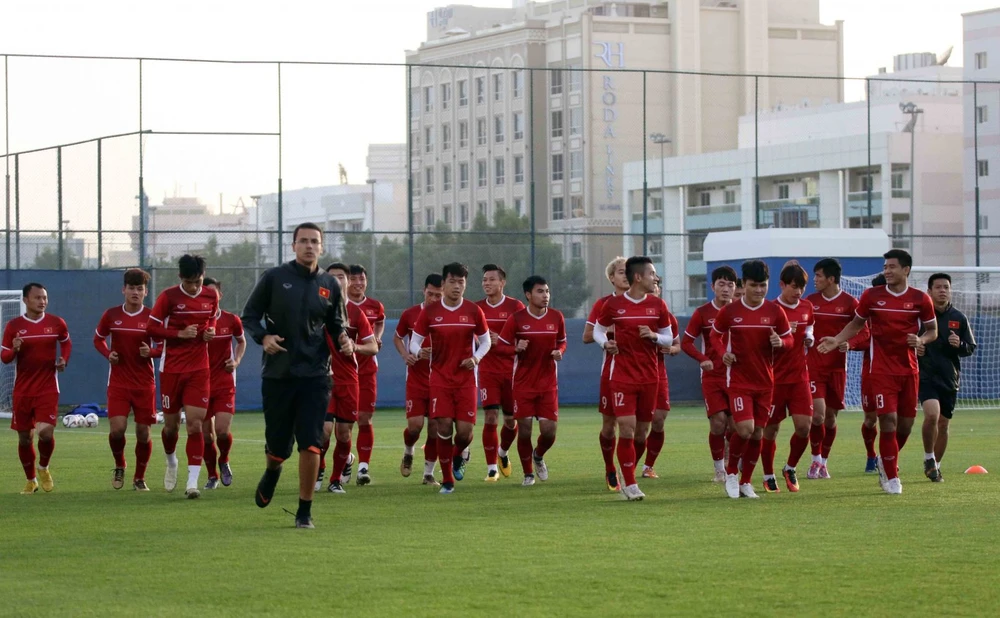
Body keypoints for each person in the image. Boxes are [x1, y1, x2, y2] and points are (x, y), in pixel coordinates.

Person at [242, 222, 346, 528]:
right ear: (293, 246)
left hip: (316, 375)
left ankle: (304, 511)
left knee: (312, 442)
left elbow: (336, 324)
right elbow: (249, 316)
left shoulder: (330, 284)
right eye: (303, 241)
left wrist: (343, 338)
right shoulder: (274, 278)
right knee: (278, 448)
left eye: (315, 241)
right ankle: (273, 469)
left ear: (322, 247)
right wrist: (263, 337)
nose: (309, 246)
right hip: (279, 374)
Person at [818, 249, 937, 495]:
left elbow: (932, 330)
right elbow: (856, 324)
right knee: (888, 421)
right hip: (880, 371)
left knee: (905, 426)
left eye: (892, 267)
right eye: (885, 267)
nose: (887, 271)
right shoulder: (871, 296)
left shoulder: (920, 299)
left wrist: (921, 340)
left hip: (909, 370)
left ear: (906, 270)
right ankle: (892, 478)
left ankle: (885, 459)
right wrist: (837, 339)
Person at [593, 256, 675, 502]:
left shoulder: (658, 305)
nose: (655, 278)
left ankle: (626, 469)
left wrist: (654, 336)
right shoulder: (613, 305)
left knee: (641, 433)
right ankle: (630, 483)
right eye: (652, 274)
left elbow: (669, 338)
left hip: (650, 377)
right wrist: (605, 343)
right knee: (626, 428)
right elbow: (597, 329)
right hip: (622, 376)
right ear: (638, 277)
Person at [711, 260, 793, 499]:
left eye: (763, 285)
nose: (759, 290)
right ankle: (731, 474)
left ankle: (746, 481)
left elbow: (789, 340)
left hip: (765, 382)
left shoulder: (775, 311)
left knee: (758, 433)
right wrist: (722, 353)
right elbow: (715, 336)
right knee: (745, 429)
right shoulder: (730, 311)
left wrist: (781, 342)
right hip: (739, 381)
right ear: (744, 284)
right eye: (754, 285)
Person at [408, 262, 491, 494]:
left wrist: (475, 358)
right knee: (443, 426)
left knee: (464, 433)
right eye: (452, 281)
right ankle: (447, 480)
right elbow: (414, 341)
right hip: (440, 379)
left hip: (466, 381)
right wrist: (419, 352)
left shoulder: (474, 311)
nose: (457, 286)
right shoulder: (430, 312)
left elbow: (486, 341)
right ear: (443, 284)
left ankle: (458, 453)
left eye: (461, 282)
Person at [147, 254, 219, 498]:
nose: (195, 287)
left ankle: (192, 482)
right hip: (171, 370)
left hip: (199, 369)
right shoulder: (168, 297)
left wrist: (210, 331)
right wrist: (179, 334)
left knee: (195, 424)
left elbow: (212, 320)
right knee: (171, 427)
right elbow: (151, 328)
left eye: (198, 281)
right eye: (189, 283)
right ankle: (171, 461)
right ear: (180, 277)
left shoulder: (211, 296)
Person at [494, 276, 566, 486]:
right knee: (524, 431)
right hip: (523, 384)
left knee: (549, 432)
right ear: (528, 294)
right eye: (540, 291)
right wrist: (515, 348)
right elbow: (500, 347)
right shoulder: (516, 319)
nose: (545, 296)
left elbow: (562, 342)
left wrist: (559, 351)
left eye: (547, 291)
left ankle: (538, 455)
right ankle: (528, 474)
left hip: (548, 384)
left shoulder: (556, 317)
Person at [94, 269, 160, 491]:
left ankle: (139, 477)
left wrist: (151, 352)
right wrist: (108, 354)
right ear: (123, 290)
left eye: (139, 289)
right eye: (131, 288)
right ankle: (120, 464)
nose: (135, 292)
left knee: (143, 433)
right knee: (117, 430)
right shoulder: (111, 315)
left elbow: (163, 346)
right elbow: (98, 339)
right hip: (119, 383)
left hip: (144, 384)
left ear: (145, 292)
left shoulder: (152, 317)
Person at [2, 283, 71, 494]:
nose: (42, 301)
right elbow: (4, 357)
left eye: (44, 298)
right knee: (25, 438)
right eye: (37, 298)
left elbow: (66, 343)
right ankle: (31, 480)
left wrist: (63, 359)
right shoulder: (14, 326)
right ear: (25, 300)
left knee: (45, 433)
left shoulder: (56, 322)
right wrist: (14, 349)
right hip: (22, 390)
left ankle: (43, 467)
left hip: (47, 387)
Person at [322, 263, 378, 494]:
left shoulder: (355, 313)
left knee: (344, 433)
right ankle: (319, 469)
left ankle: (335, 479)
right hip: (321, 381)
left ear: (347, 281)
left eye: (341, 277)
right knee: (323, 431)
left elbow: (373, 347)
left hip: (348, 380)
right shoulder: (315, 309)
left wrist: (354, 347)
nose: (337, 281)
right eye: (332, 277)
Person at [803, 258, 861, 480]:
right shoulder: (810, 302)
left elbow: (864, 330)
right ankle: (815, 459)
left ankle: (824, 462)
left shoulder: (850, 303)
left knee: (830, 418)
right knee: (817, 416)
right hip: (813, 367)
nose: (814, 280)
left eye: (818, 276)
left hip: (837, 369)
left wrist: (849, 343)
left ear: (831, 279)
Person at [760, 262, 815, 493]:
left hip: (799, 377)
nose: (798, 291)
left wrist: (809, 337)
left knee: (804, 427)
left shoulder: (807, 306)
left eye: (802, 287)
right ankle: (768, 474)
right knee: (770, 430)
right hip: (773, 379)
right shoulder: (771, 309)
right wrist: (780, 335)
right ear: (782, 285)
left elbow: (810, 327)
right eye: (794, 286)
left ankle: (790, 467)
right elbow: (759, 341)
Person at [917, 273, 977, 482]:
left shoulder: (959, 318)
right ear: (929, 291)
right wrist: (916, 349)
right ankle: (929, 457)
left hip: (949, 378)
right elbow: (909, 341)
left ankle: (935, 466)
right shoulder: (921, 317)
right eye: (938, 287)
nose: (942, 290)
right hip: (925, 376)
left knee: (943, 424)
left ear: (950, 291)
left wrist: (959, 344)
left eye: (946, 287)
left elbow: (970, 347)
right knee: (932, 415)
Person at [681, 265, 738, 481]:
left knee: (736, 426)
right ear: (712, 287)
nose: (726, 289)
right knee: (718, 422)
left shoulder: (740, 311)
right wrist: (703, 359)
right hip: (713, 376)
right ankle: (719, 469)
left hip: (738, 376)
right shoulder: (702, 313)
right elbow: (686, 342)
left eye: (730, 285)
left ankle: (731, 459)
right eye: (721, 284)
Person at [582, 256, 630, 491]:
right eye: (621, 272)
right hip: (612, 372)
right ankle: (611, 468)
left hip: (643, 373)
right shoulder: (603, 304)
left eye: (629, 271)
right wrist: (608, 333)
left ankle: (629, 468)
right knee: (610, 426)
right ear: (611, 278)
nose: (626, 275)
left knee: (638, 429)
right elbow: (587, 335)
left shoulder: (647, 303)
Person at [476, 264, 526, 482]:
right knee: (490, 416)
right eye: (484, 280)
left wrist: (504, 341)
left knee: (511, 421)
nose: (487, 283)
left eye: (492, 279)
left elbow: (524, 337)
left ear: (502, 282)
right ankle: (491, 469)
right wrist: (482, 340)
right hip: (487, 370)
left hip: (511, 371)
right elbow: (471, 335)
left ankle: (502, 453)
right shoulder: (477, 308)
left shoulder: (516, 306)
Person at [394, 273, 444, 486]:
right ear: (424, 291)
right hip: (416, 378)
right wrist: (406, 355)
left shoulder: (448, 315)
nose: (433, 298)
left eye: (438, 295)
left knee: (435, 427)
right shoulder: (410, 314)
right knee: (415, 426)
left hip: (440, 379)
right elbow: (397, 337)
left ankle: (428, 473)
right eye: (430, 294)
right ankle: (408, 450)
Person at [201, 277, 246, 490]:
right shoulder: (195, 322)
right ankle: (212, 475)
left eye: (213, 293)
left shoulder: (231, 319)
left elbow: (241, 341)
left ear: (220, 294)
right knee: (206, 436)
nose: (210, 298)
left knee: (221, 430)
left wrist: (236, 361)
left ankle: (224, 459)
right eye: (205, 294)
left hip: (224, 382)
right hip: (199, 383)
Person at [637, 279, 680, 479]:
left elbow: (677, 344)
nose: (652, 289)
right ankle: (627, 466)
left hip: (658, 372)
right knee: (636, 426)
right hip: (633, 373)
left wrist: (671, 349)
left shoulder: (668, 317)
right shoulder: (633, 314)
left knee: (659, 420)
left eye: (655, 286)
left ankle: (648, 466)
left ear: (659, 290)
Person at [347, 264, 385, 486]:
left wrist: (377, 337)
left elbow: (380, 321)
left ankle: (363, 467)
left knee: (364, 417)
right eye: (353, 279)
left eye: (361, 279)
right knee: (344, 422)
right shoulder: (339, 306)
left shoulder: (375, 306)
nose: (358, 283)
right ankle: (346, 459)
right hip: (343, 369)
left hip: (367, 368)